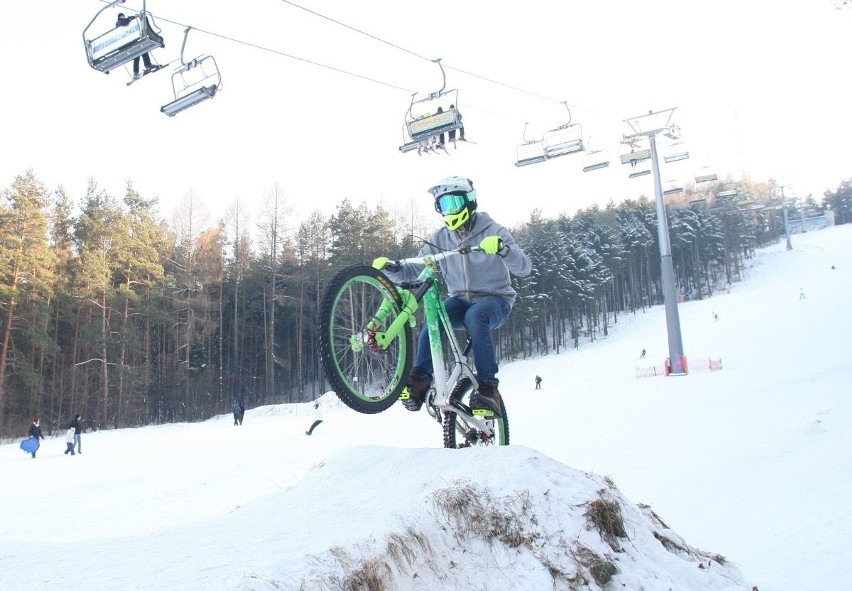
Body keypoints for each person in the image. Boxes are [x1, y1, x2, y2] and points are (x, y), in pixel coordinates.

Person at [374, 176, 532, 418]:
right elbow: (414, 268)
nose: (449, 211)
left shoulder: (494, 230)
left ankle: (489, 387)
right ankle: (422, 378)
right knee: (433, 316)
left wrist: (503, 249)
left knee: (476, 316)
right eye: (443, 205)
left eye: (454, 203)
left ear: (469, 201)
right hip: (460, 300)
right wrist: (390, 269)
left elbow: (524, 267)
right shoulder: (439, 239)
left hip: (496, 299)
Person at [115, 12, 159, 79]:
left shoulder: (124, 24)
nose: (123, 17)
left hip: (130, 42)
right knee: (141, 51)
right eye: (122, 16)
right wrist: (130, 18)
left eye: (123, 16)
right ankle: (147, 65)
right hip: (127, 44)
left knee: (138, 54)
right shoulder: (119, 22)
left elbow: (126, 22)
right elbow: (123, 22)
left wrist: (130, 18)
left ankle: (137, 72)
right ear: (120, 17)